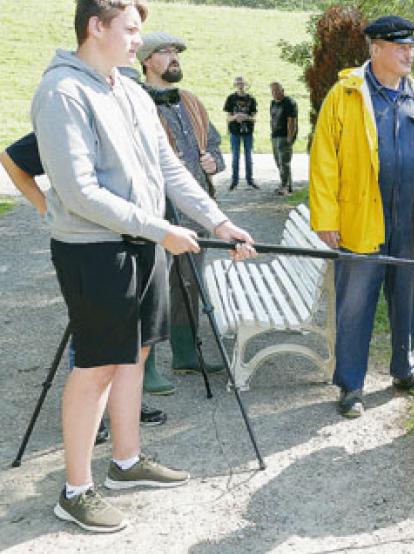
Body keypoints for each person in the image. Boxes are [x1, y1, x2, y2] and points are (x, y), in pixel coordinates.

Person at [31, 0, 255, 533]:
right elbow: (79, 193)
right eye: (130, 30)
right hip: (94, 249)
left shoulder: (129, 89)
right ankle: (75, 490)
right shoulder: (62, 92)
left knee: (135, 353)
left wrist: (217, 222)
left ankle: (126, 463)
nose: (139, 41)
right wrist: (162, 229)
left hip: (144, 241)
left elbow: (169, 168)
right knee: (97, 366)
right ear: (96, 27)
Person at [309, 15, 414, 418]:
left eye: (412, 46)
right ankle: (351, 386)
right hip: (360, 218)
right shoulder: (346, 94)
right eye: (400, 46)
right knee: (355, 303)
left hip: (407, 218)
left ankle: (405, 370)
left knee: (407, 297)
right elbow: (324, 161)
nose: (410, 53)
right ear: (376, 49)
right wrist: (325, 217)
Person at [2, 132, 168, 439]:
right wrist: (45, 208)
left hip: (133, 240)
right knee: (93, 337)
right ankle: (94, 416)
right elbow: (11, 159)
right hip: (89, 245)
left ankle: (122, 408)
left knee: (130, 336)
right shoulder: (67, 115)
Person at [137, 31, 227, 389]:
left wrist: (212, 162)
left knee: (188, 284)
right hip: (155, 215)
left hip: (195, 214)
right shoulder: (136, 102)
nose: (174, 57)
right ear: (146, 60)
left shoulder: (190, 101)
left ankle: (187, 354)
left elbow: (216, 146)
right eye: (165, 52)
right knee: (151, 287)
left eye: (176, 52)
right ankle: (145, 369)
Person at [223, 75, 257, 190]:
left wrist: (245, 117)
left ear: (246, 85)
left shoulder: (251, 99)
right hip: (235, 132)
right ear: (235, 85)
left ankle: (250, 180)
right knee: (235, 156)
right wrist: (236, 116)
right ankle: (234, 181)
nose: (240, 86)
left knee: (248, 157)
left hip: (248, 132)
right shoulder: (230, 98)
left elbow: (254, 118)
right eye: (238, 84)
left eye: (242, 84)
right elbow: (228, 118)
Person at [269, 81, 298, 195]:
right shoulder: (273, 103)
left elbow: (291, 121)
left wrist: (290, 136)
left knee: (284, 162)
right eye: (272, 91)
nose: (274, 93)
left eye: (276, 90)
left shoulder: (289, 103)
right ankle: (288, 185)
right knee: (278, 162)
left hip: (284, 136)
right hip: (275, 136)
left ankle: (284, 186)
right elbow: (272, 119)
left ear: (282, 90)